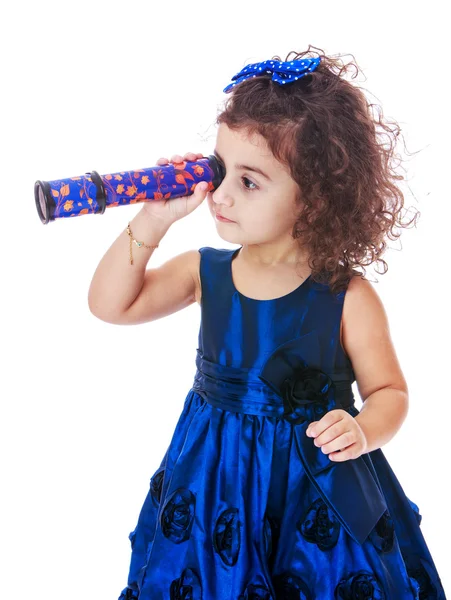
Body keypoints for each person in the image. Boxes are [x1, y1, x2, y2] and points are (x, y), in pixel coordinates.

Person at [88, 46, 446, 599]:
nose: (221, 194)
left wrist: (363, 428)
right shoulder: (205, 272)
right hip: (216, 482)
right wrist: (154, 217)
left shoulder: (346, 297)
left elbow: (390, 391)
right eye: (219, 169)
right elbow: (112, 304)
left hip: (315, 489)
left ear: (315, 202)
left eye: (249, 182)